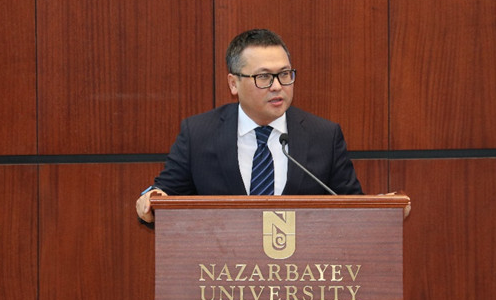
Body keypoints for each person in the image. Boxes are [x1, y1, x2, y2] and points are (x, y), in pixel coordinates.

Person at [136, 28, 363, 223]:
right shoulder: (199, 134)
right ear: (233, 84)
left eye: (284, 74)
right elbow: (163, 194)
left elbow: (355, 210)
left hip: (304, 260)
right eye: (263, 77)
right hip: (223, 259)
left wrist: (380, 208)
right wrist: (150, 199)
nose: (277, 86)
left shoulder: (324, 136)